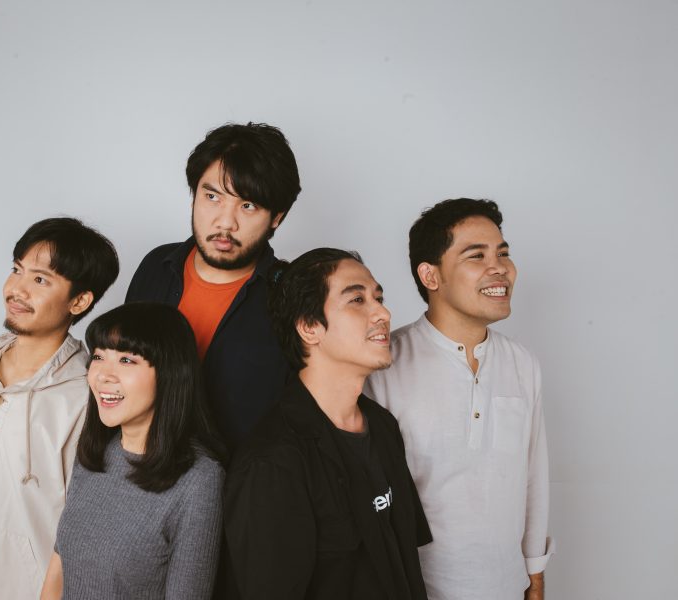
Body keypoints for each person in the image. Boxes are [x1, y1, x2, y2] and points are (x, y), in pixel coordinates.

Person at [365, 198, 554, 600]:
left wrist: (534, 572)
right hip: (417, 588)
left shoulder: (522, 363)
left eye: (503, 253)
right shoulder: (384, 363)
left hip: (508, 586)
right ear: (430, 275)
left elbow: (534, 475)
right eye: (477, 255)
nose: (499, 267)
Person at [0, 217, 119, 600]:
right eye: (17, 270)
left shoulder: (85, 396)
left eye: (40, 279)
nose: (17, 289)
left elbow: (84, 532)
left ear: (79, 301)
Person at [222, 248, 431, 599]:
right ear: (309, 327)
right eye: (357, 300)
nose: (383, 313)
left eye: (379, 298)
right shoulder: (272, 462)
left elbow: (406, 558)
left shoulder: (383, 426)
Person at [125, 121, 301, 450]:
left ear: (276, 217)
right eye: (212, 196)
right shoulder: (156, 266)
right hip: (138, 468)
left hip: (236, 478)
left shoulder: (293, 296)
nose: (225, 222)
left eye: (248, 205)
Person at [41, 302, 225, 600]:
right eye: (98, 356)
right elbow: (58, 569)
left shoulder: (199, 480)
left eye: (126, 360)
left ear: (169, 373)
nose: (103, 375)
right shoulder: (94, 451)